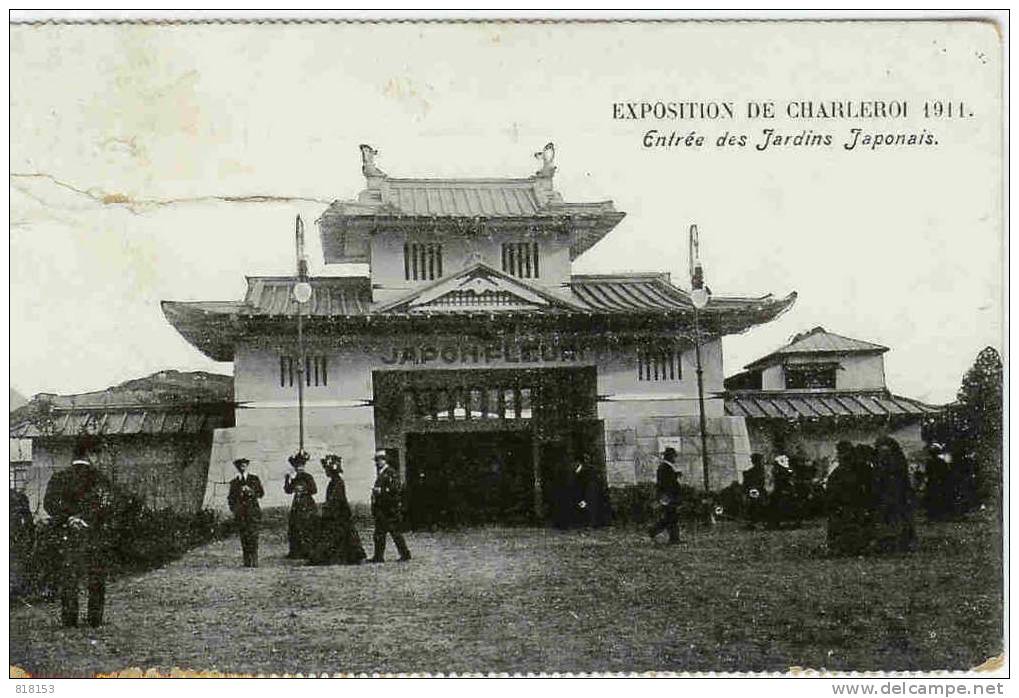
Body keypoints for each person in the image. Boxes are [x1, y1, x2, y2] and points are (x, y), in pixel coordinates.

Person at [42, 436, 114, 627]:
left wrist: (69, 518)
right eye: (98, 454)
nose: (99, 459)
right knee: (96, 577)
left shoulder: (59, 477)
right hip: (94, 533)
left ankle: (69, 620)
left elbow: (49, 503)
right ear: (90, 454)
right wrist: (88, 519)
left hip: (68, 533)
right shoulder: (100, 479)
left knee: (69, 577)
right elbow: (109, 504)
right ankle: (94, 619)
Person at [310, 455, 366, 566]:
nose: (326, 471)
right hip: (336, 513)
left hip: (338, 514)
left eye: (327, 469)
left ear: (332, 470)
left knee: (337, 535)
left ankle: (340, 557)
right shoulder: (334, 482)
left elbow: (336, 499)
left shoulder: (338, 482)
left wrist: (328, 508)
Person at [872, 436, 918, 553]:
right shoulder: (898, 460)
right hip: (895, 493)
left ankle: (895, 541)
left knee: (893, 518)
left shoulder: (892, 463)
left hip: (893, 493)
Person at [370, 450, 411, 563]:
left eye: (380, 460)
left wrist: (381, 491)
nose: (378, 463)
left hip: (389, 509)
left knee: (394, 533)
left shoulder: (390, 473)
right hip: (382, 509)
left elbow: (395, 489)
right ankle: (378, 556)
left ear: (385, 460)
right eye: (377, 460)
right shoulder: (382, 473)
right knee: (379, 533)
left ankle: (405, 554)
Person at [227, 457, 264, 568]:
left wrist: (251, 491)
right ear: (237, 467)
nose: (242, 467)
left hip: (253, 512)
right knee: (244, 535)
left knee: (253, 535)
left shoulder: (254, 479)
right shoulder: (234, 482)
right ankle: (247, 560)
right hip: (241, 513)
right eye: (240, 466)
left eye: (244, 465)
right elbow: (230, 498)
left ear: (247, 466)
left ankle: (254, 559)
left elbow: (261, 493)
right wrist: (234, 509)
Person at [284, 450, 318, 559]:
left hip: (307, 503)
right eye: (297, 466)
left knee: (307, 526)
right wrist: (287, 480)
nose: (299, 468)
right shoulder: (294, 477)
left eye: (301, 466)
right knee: (295, 526)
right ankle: (296, 551)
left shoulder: (308, 477)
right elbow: (288, 491)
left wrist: (303, 489)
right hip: (297, 504)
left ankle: (308, 550)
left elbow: (314, 490)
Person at [648, 447, 682, 544]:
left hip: (668, 496)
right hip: (668, 496)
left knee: (670, 517)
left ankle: (673, 537)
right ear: (670, 457)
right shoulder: (664, 467)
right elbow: (666, 483)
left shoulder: (666, 467)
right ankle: (656, 531)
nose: (675, 458)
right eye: (674, 456)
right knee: (671, 517)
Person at [742, 453, 767, 530]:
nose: (761, 463)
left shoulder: (764, 471)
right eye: (760, 461)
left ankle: (759, 521)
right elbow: (746, 484)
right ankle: (755, 521)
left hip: (763, 491)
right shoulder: (751, 472)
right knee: (755, 502)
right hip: (755, 492)